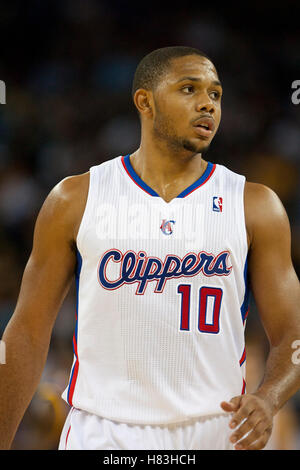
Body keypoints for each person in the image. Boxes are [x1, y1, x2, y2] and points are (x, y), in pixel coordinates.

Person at [0, 46, 299, 451]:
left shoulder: (255, 205)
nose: (207, 104)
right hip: (103, 432)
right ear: (145, 102)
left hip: (217, 431)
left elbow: (293, 335)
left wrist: (268, 397)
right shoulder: (75, 199)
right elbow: (26, 335)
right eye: (189, 89)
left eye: (216, 94)